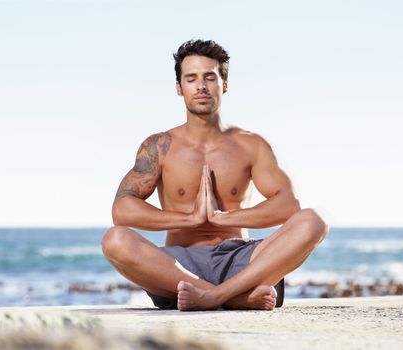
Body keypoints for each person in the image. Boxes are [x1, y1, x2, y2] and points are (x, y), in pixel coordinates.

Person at [102, 39, 328, 311]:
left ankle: (212, 297)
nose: (201, 86)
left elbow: (288, 207)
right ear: (179, 87)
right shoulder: (160, 146)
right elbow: (122, 210)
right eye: (191, 78)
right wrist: (190, 218)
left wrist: (223, 217)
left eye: (210, 77)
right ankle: (234, 298)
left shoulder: (251, 144)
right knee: (113, 240)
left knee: (314, 221)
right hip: (178, 268)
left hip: (241, 260)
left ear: (225, 85)